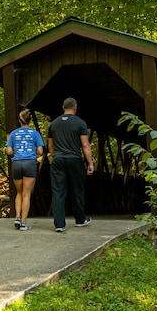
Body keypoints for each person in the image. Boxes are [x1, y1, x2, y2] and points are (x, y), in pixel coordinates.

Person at [47, 97, 94, 233]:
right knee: (77, 189)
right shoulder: (80, 123)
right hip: (74, 159)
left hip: (58, 159)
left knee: (58, 191)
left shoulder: (53, 124)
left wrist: (55, 158)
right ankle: (80, 220)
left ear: (63, 107)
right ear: (75, 108)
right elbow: (85, 145)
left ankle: (59, 224)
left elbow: (51, 147)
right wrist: (90, 163)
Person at [6, 108, 45, 230]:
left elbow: (9, 151)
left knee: (19, 192)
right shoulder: (35, 134)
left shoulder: (13, 134)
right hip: (29, 163)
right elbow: (40, 151)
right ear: (29, 121)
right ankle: (24, 223)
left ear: (19, 120)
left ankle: (17, 217)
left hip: (17, 164)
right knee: (26, 194)